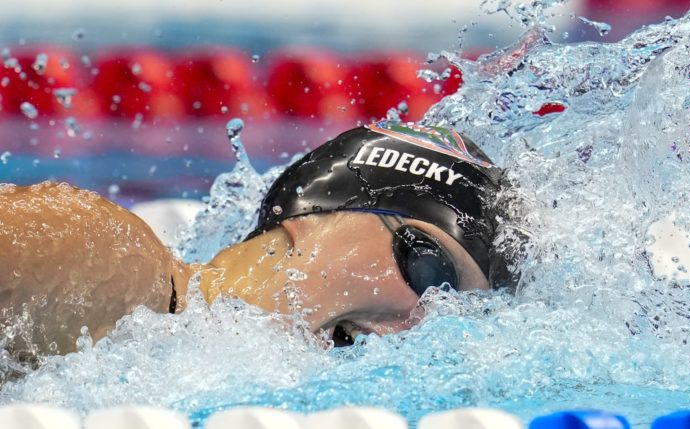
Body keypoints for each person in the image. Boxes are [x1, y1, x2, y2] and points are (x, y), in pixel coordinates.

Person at [0, 120, 515, 361]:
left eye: (455, 315)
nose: (418, 326)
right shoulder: (108, 261)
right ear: (316, 215)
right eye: (430, 272)